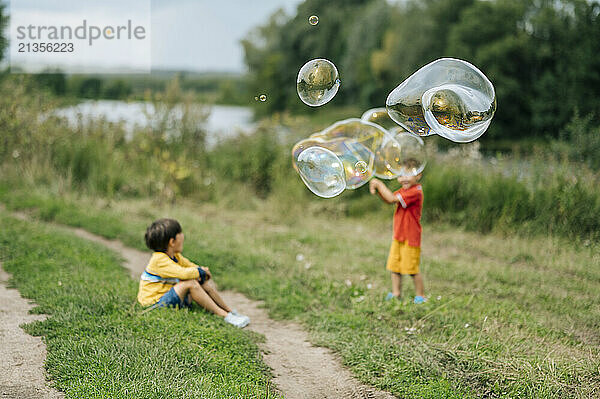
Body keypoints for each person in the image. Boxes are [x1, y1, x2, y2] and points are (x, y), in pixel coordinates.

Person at [137, 218, 250, 328]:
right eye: (180, 233)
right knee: (190, 283)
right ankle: (225, 316)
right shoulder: (158, 259)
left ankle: (229, 311)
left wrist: (201, 271)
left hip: (168, 297)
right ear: (172, 242)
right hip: (154, 304)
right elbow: (183, 274)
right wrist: (200, 272)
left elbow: (190, 266)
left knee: (200, 282)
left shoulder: (175, 256)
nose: (183, 236)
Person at [369, 162, 426, 304]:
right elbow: (389, 200)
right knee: (395, 267)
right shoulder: (404, 191)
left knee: (412, 269)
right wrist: (379, 191)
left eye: (408, 174)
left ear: (418, 175)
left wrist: (379, 184)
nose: (403, 178)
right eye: (400, 175)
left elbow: (391, 198)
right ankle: (396, 293)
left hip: (411, 237)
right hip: (399, 235)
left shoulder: (416, 191)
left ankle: (421, 295)